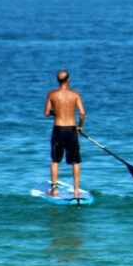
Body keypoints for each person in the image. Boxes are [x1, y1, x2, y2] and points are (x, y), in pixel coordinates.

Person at [43, 70, 86, 199]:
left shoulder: (52, 94)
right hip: (71, 129)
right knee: (75, 162)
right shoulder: (75, 94)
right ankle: (76, 190)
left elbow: (46, 113)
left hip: (58, 129)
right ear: (68, 80)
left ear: (58, 80)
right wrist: (80, 126)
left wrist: (55, 113)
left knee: (55, 161)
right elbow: (82, 113)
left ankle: (55, 190)